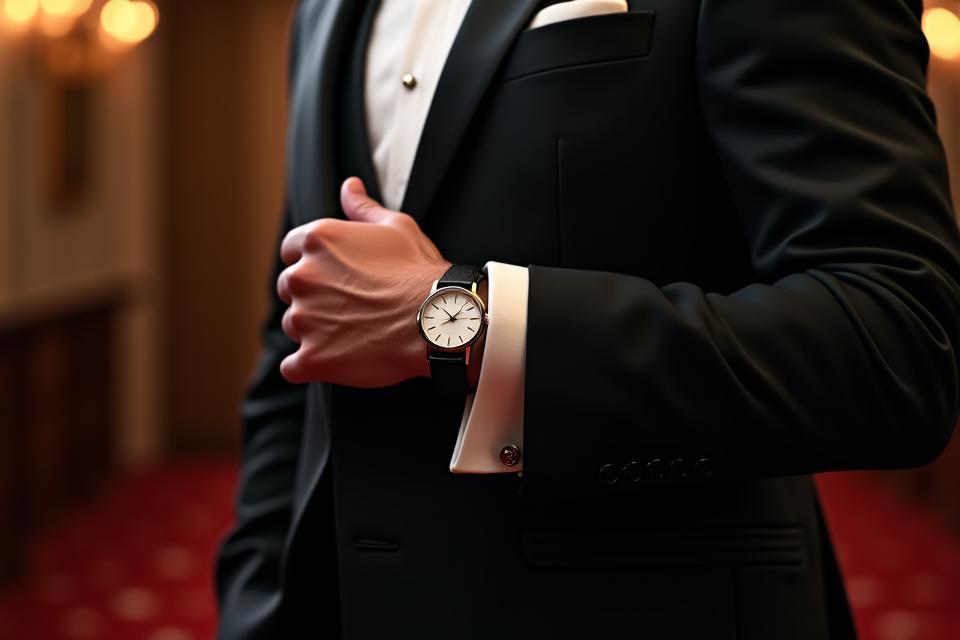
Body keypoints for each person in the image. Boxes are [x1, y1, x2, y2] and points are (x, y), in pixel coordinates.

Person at [215, 0, 960, 638]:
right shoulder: (319, 12)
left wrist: (462, 323)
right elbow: (300, 327)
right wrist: (256, 596)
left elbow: (895, 338)